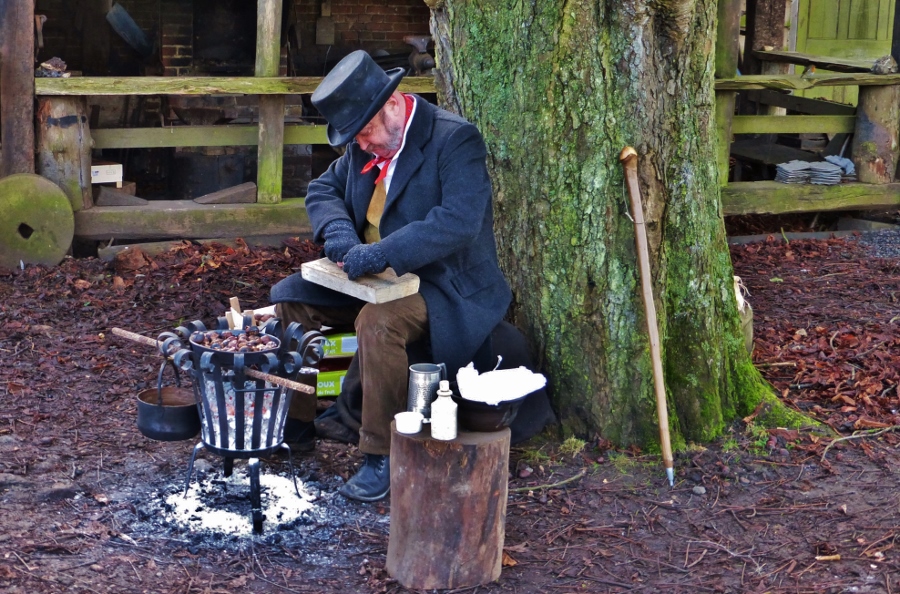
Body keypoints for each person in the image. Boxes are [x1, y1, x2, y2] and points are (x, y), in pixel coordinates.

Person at [270, 49, 512, 502]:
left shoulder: (455, 140)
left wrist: (381, 253)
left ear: (393, 105)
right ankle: (297, 425)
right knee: (290, 301)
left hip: (443, 283)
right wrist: (340, 233)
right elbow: (323, 188)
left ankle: (381, 453)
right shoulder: (365, 143)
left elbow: (459, 222)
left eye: (365, 133)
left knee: (379, 323)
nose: (361, 145)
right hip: (372, 275)